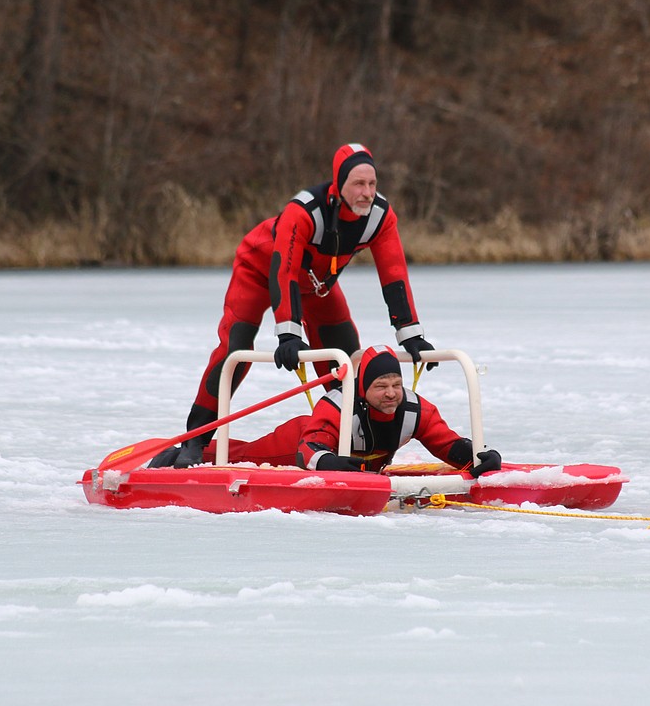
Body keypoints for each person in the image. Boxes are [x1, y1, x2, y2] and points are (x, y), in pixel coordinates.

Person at [156, 143, 436, 468]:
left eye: (372, 184)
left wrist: (410, 333)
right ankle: (196, 440)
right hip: (261, 271)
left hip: (317, 284)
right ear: (339, 183)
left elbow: (394, 274)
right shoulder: (304, 210)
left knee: (344, 359)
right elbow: (283, 269)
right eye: (359, 184)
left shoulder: (380, 217)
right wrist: (288, 333)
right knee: (236, 349)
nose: (367, 192)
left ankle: (350, 439)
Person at [162, 346, 502, 477]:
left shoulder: (415, 409)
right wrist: (330, 463)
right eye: (381, 386)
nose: (391, 393)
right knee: (243, 455)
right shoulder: (339, 404)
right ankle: (182, 452)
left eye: (395, 384)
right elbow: (308, 449)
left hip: (354, 463)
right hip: (300, 440)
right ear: (363, 389)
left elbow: (447, 444)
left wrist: (477, 456)